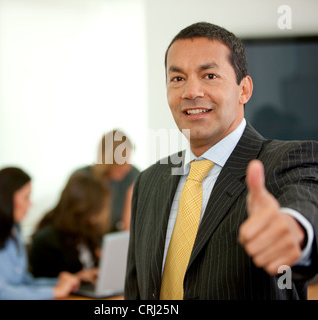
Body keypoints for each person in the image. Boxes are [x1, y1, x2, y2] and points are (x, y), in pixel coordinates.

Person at [124, 22, 318, 300]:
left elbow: (309, 204)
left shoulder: (286, 160)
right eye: (177, 79)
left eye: (209, 75)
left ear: (244, 90)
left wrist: (296, 228)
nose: (191, 91)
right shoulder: (149, 181)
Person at [0, 167, 80, 300]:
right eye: (26, 198)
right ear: (5, 199)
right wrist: (53, 291)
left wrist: (58, 283)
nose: (30, 204)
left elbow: (24, 282)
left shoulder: (13, 231)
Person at [29, 171, 110, 281]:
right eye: (95, 210)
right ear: (81, 208)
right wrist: (77, 278)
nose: (97, 215)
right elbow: (43, 285)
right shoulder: (46, 240)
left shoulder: (87, 231)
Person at [76, 129, 140, 232]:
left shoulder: (132, 176)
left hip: (116, 240)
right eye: (123, 161)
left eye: (128, 160)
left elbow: (130, 230)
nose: (127, 167)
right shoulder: (82, 179)